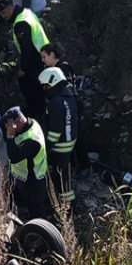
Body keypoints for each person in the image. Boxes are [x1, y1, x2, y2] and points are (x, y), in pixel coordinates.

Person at [0, 0, 48, 119]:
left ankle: (36, 113)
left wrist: (23, 69)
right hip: (44, 53)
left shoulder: (20, 23)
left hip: (36, 57)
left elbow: (26, 49)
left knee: (29, 84)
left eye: (4, 13)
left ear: (10, 8)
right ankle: (39, 110)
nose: (3, 16)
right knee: (37, 86)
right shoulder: (26, 12)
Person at [1, 106, 51, 220]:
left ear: (17, 123)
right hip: (23, 175)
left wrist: (10, 136)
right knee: (18, 196)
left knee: (36, 208)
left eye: (9, 126)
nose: (7, 128)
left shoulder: (31, 140)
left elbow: (14, 157)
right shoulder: (31, 122)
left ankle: (41, 230)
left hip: (32, 179)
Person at [39, 66, 77, 204]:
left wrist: (46, 147)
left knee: (61, 178)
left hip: (60, 146)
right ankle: (67, 204)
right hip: (70, 141)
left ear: (52, 82)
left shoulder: (56, 103)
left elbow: (55, 130)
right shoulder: (70, 94)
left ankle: (67, 207)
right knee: (65, 175)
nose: (45, 89)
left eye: (46, 86)